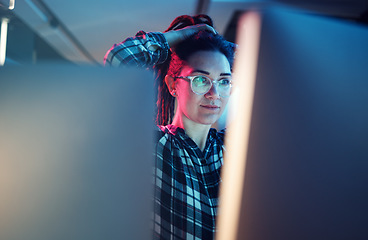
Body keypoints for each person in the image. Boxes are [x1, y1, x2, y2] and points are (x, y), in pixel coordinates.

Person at [104, 14, 236, 240]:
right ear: (173, 85)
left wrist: (228, 47)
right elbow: (118, 60)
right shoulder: (152, 144)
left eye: (224, 81)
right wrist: (183, 35)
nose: (214, 94)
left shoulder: (235, 147)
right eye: (201, 80)